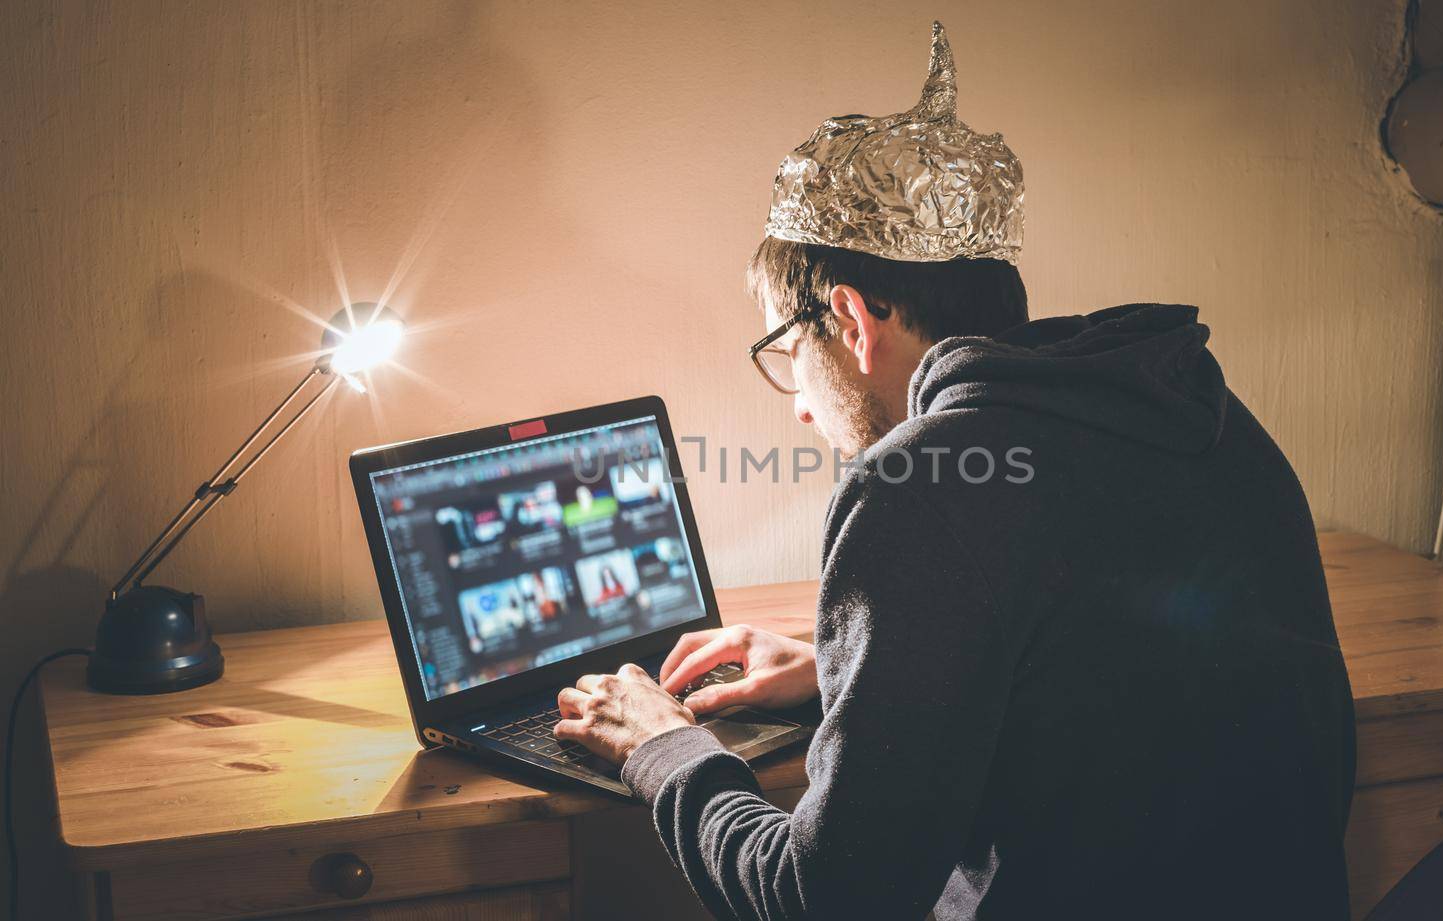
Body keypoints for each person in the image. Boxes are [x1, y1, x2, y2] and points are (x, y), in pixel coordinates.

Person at [553, 22, 1356, 920]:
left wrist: (664, 747)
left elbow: (824, 899)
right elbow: (1098, 673)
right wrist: (848, 670)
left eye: (788, 352)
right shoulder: (1188, 404)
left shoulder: (920, 485)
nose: (801, 406)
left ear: (852, 320)